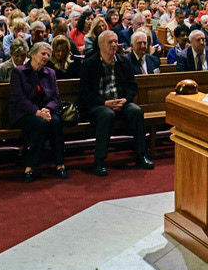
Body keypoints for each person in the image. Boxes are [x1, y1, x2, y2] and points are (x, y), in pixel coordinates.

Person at [79, 31, 152, 176]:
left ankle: (141, 155)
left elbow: (132, 87)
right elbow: (85, 94)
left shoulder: (123, 62)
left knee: (136, 111)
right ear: (100, 44)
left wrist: (126, 100)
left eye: (115, 42)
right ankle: (99, 160)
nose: (114, 45)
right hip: (99, 105)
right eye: (110, 42)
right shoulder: (90, 64)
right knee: (107, 114)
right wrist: (105, 102)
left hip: (121, 102)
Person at [9, 42, 67, 182]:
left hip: (45, 112)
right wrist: (36, 112)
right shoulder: (19, 72)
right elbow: (19, 98)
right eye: (43, 53)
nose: (46, 57)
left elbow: (56, 97)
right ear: (32, 54)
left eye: (48, 54)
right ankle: (30, 167)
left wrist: (48, 109)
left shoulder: (50, 73)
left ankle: (60, 165)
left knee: (56, 122)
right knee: (40, 124)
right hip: (24, 113)